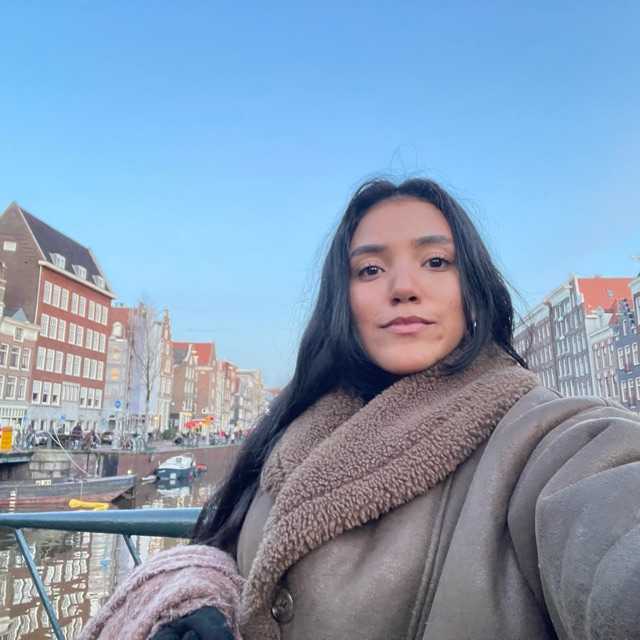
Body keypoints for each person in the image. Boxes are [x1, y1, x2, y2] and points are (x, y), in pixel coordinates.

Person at [80, 178, 640, 640]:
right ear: (342, 300)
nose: (403, 287)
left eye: (436, 261)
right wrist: (192, 587)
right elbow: (226, 552)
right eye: (370, 269)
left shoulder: (545, 440)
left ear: (472, 290)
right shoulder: (290, 435)